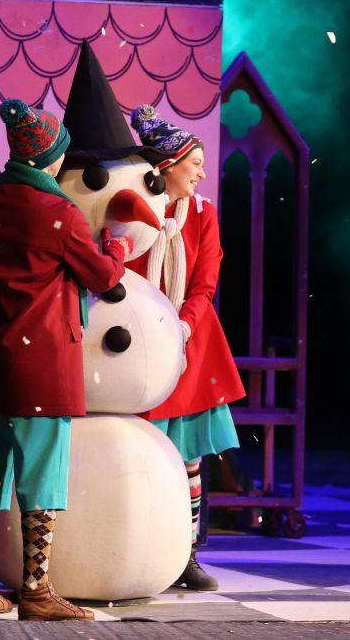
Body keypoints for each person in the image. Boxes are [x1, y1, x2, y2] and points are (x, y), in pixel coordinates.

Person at [0, 98, 132, 620]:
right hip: (44, 365)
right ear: (50, 159)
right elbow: (101, 276)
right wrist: (116, 251)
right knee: (43, 477)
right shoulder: (59, 214)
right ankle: (36, 591)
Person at [125, 105, 246, 592]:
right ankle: (135, 549)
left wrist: (181, 326)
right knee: (137, 455)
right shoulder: (133, 211)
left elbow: (204, 282)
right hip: (138, 347)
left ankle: (185, 552)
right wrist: (150, 329)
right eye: (194, 163)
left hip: (189, 343)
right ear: (167, 166)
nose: (201, 173)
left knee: (188, 457)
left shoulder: (202, 214)